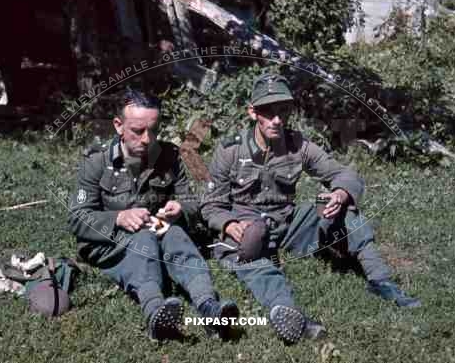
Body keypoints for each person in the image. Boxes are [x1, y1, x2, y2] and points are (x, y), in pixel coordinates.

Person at [200, 73, 421, 344]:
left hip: (287, 222)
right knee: (256, 263)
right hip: (246, 229)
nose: (277, 120)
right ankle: (290, 315)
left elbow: (343, 174)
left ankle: (381, 281)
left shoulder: (299, 145)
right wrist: (228, 225)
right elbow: (211, 205)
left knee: (346, 211)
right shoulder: (230, 151)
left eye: (283, 111)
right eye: (268, 112)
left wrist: (340, 193)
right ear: (252, 112)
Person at [68, 89, 238, 341]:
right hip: (112, 242)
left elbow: (191, 201)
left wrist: (179, 208)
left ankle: (208, 307)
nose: (148, 139)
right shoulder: (96, 161)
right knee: (143, 240)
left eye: (154, 130)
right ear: (118, 126)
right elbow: (77, 217)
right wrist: (117, 218)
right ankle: (155, 312)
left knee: (176, 235)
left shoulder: (170, 156)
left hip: (159, 231)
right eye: (137, 131)